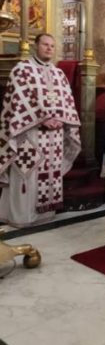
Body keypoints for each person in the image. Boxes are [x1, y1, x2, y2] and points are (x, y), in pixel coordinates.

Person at [0, 34, 81, 227]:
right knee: (28, 172)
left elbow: (67, 102)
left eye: (52, 45)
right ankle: (22, 217)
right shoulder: (22, 70)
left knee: (50, 172)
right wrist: (43, 118)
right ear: (35, 46)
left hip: (54, 135)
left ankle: (45, 215)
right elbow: (18, 103)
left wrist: (61, 119)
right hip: (29, 133)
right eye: (45, 44)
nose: (49, 48)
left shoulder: (58, 74)